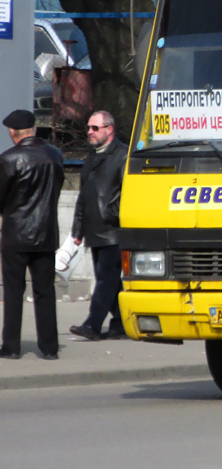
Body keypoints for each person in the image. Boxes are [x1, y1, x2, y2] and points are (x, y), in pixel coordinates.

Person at [0, 109, 64, 360]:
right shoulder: (55, 155)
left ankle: (11, 346)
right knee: (45, 291)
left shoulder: (9, 159)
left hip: (16, 233)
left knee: (14, 291)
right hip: (46, 232)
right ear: (34, 129)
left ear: (13, 133)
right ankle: (49, 347)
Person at [70, 110, 129, 341]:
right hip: (94, 230)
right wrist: (77, 230)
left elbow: (128, 193)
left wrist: (112, 215)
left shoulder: (122, 155)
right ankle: (121, 323)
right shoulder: (92, 156)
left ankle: (92, 325)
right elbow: (83, 196)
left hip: (113, 230)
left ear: (109, 129)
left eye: (95, 128)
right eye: (88, 128)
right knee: (110, 280)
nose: (90, 132)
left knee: (106, 278)